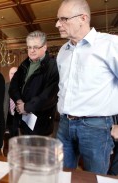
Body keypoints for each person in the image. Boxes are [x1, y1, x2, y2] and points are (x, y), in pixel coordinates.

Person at [55, 0, 118, 174]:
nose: (57, 24)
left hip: (95, 127)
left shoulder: (111, 44)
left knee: (94, 178)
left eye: (63, 19)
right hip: (64, 125)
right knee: (60, 175)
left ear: (83, 18)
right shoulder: (62, 51)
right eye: (58, 19)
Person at [9, 30, 59, 136]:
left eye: (35, 47)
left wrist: (26, 107)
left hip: (40, 125)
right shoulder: (25, 64)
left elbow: (49, 96)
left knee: (38, 152)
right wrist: (19, 102)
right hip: (21, 120)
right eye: (29, 47)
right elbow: (13, 86)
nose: (31, 50)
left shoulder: (53, 66)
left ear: (45, 47)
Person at [3, 66, 18, 137]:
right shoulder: (5, 86)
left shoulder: (24, 86)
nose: (14, 75)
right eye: (12, 73)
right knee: (11, 138)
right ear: (9, 75)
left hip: (19, 117)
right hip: (8, 116)